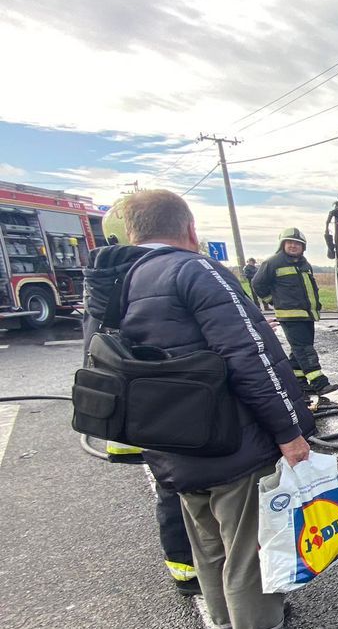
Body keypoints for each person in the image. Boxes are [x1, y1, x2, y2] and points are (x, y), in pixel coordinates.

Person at [117, 189, 316, 629]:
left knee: (209, 547)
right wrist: (291, 430)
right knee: (249, 553)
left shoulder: (114, 279)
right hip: (231, 444)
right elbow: (251, 356)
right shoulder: (195, 270)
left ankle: (222, 620)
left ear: (133, 232)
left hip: (167, 443)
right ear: (190, 229)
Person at [81, 198, 199, 597]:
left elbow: (95, 348)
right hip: (177, 405)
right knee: (184, 489)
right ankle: (195, 569)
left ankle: (186, 567)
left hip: (137, 411)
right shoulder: (167, 275)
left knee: (172, 487)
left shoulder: (105, 279)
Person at [253, 228, 338, 395]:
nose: (293, 246)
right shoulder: (272, 263)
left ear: (303, 246)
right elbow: (257, 285)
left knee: (299, 349)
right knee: (305, 349)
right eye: (289, 242)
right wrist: (274, 301)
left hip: (307, 315)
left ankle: (298, 381)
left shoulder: (305, 264)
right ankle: (319, 383)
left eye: (297, 243)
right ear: (282, 244)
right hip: (290, 316)